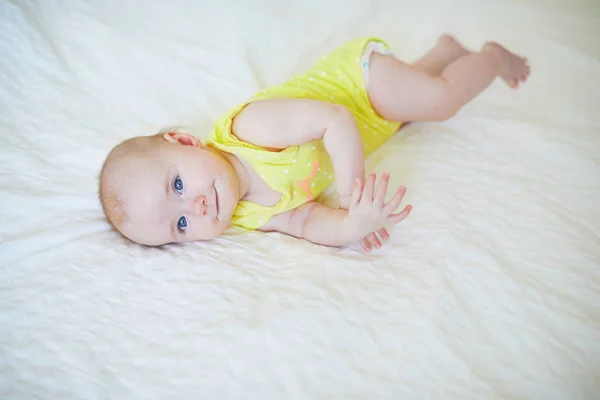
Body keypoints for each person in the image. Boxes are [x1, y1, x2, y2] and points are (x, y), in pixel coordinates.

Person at [99, 35, 530, 252]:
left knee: (437, 102)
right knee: (404, 112)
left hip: (357, 85)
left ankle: (492, 57)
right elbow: (305, 222)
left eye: (176, 186)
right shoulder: (247, 215)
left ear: (185, 141)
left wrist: (349, 197)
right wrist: (349, 227)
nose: (195, 208)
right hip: (372, 126)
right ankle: (444, 53)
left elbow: (335, 120)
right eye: (180, 227)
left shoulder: (247, 131)